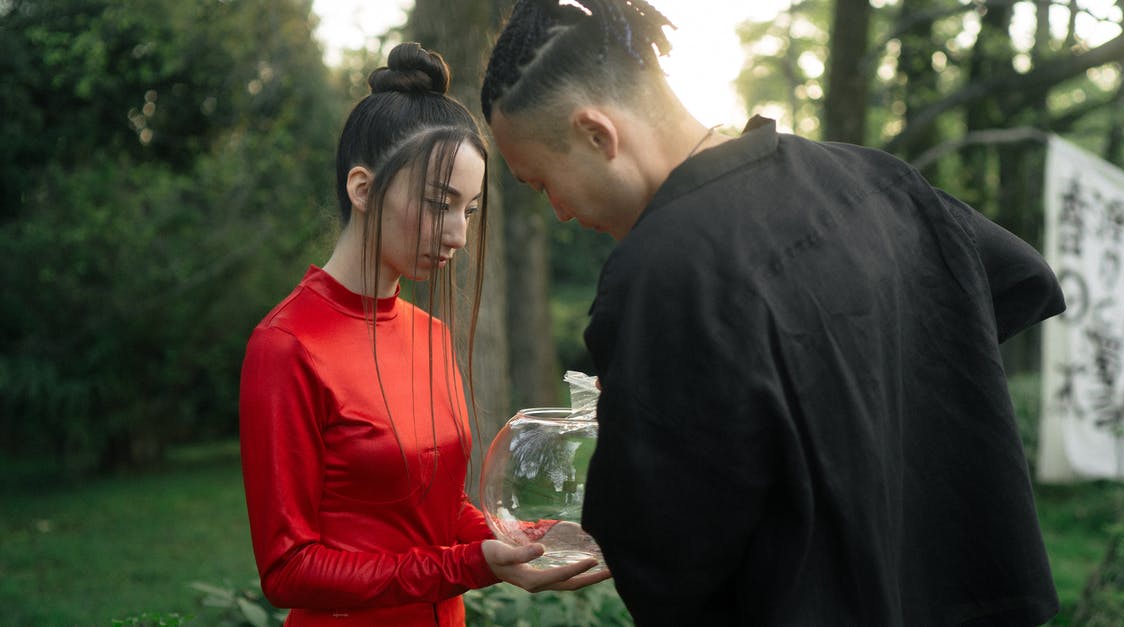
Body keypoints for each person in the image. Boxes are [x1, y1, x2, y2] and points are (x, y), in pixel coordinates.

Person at [480, 1, 1064, 625]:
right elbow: (1020, 278)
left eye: (542, 183)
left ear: (598, 133)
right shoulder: (873, 178)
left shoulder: (663, 268)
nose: (560, 212)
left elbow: (660, 554)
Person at [239, 42, 608, 626]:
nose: (458, 235)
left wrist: (534, 538)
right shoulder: (287, 345)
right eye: (440, 204)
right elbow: (289, 571)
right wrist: (469, 565)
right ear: (362, 190)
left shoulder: (431, 334)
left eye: (470, 210)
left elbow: (439, 511)